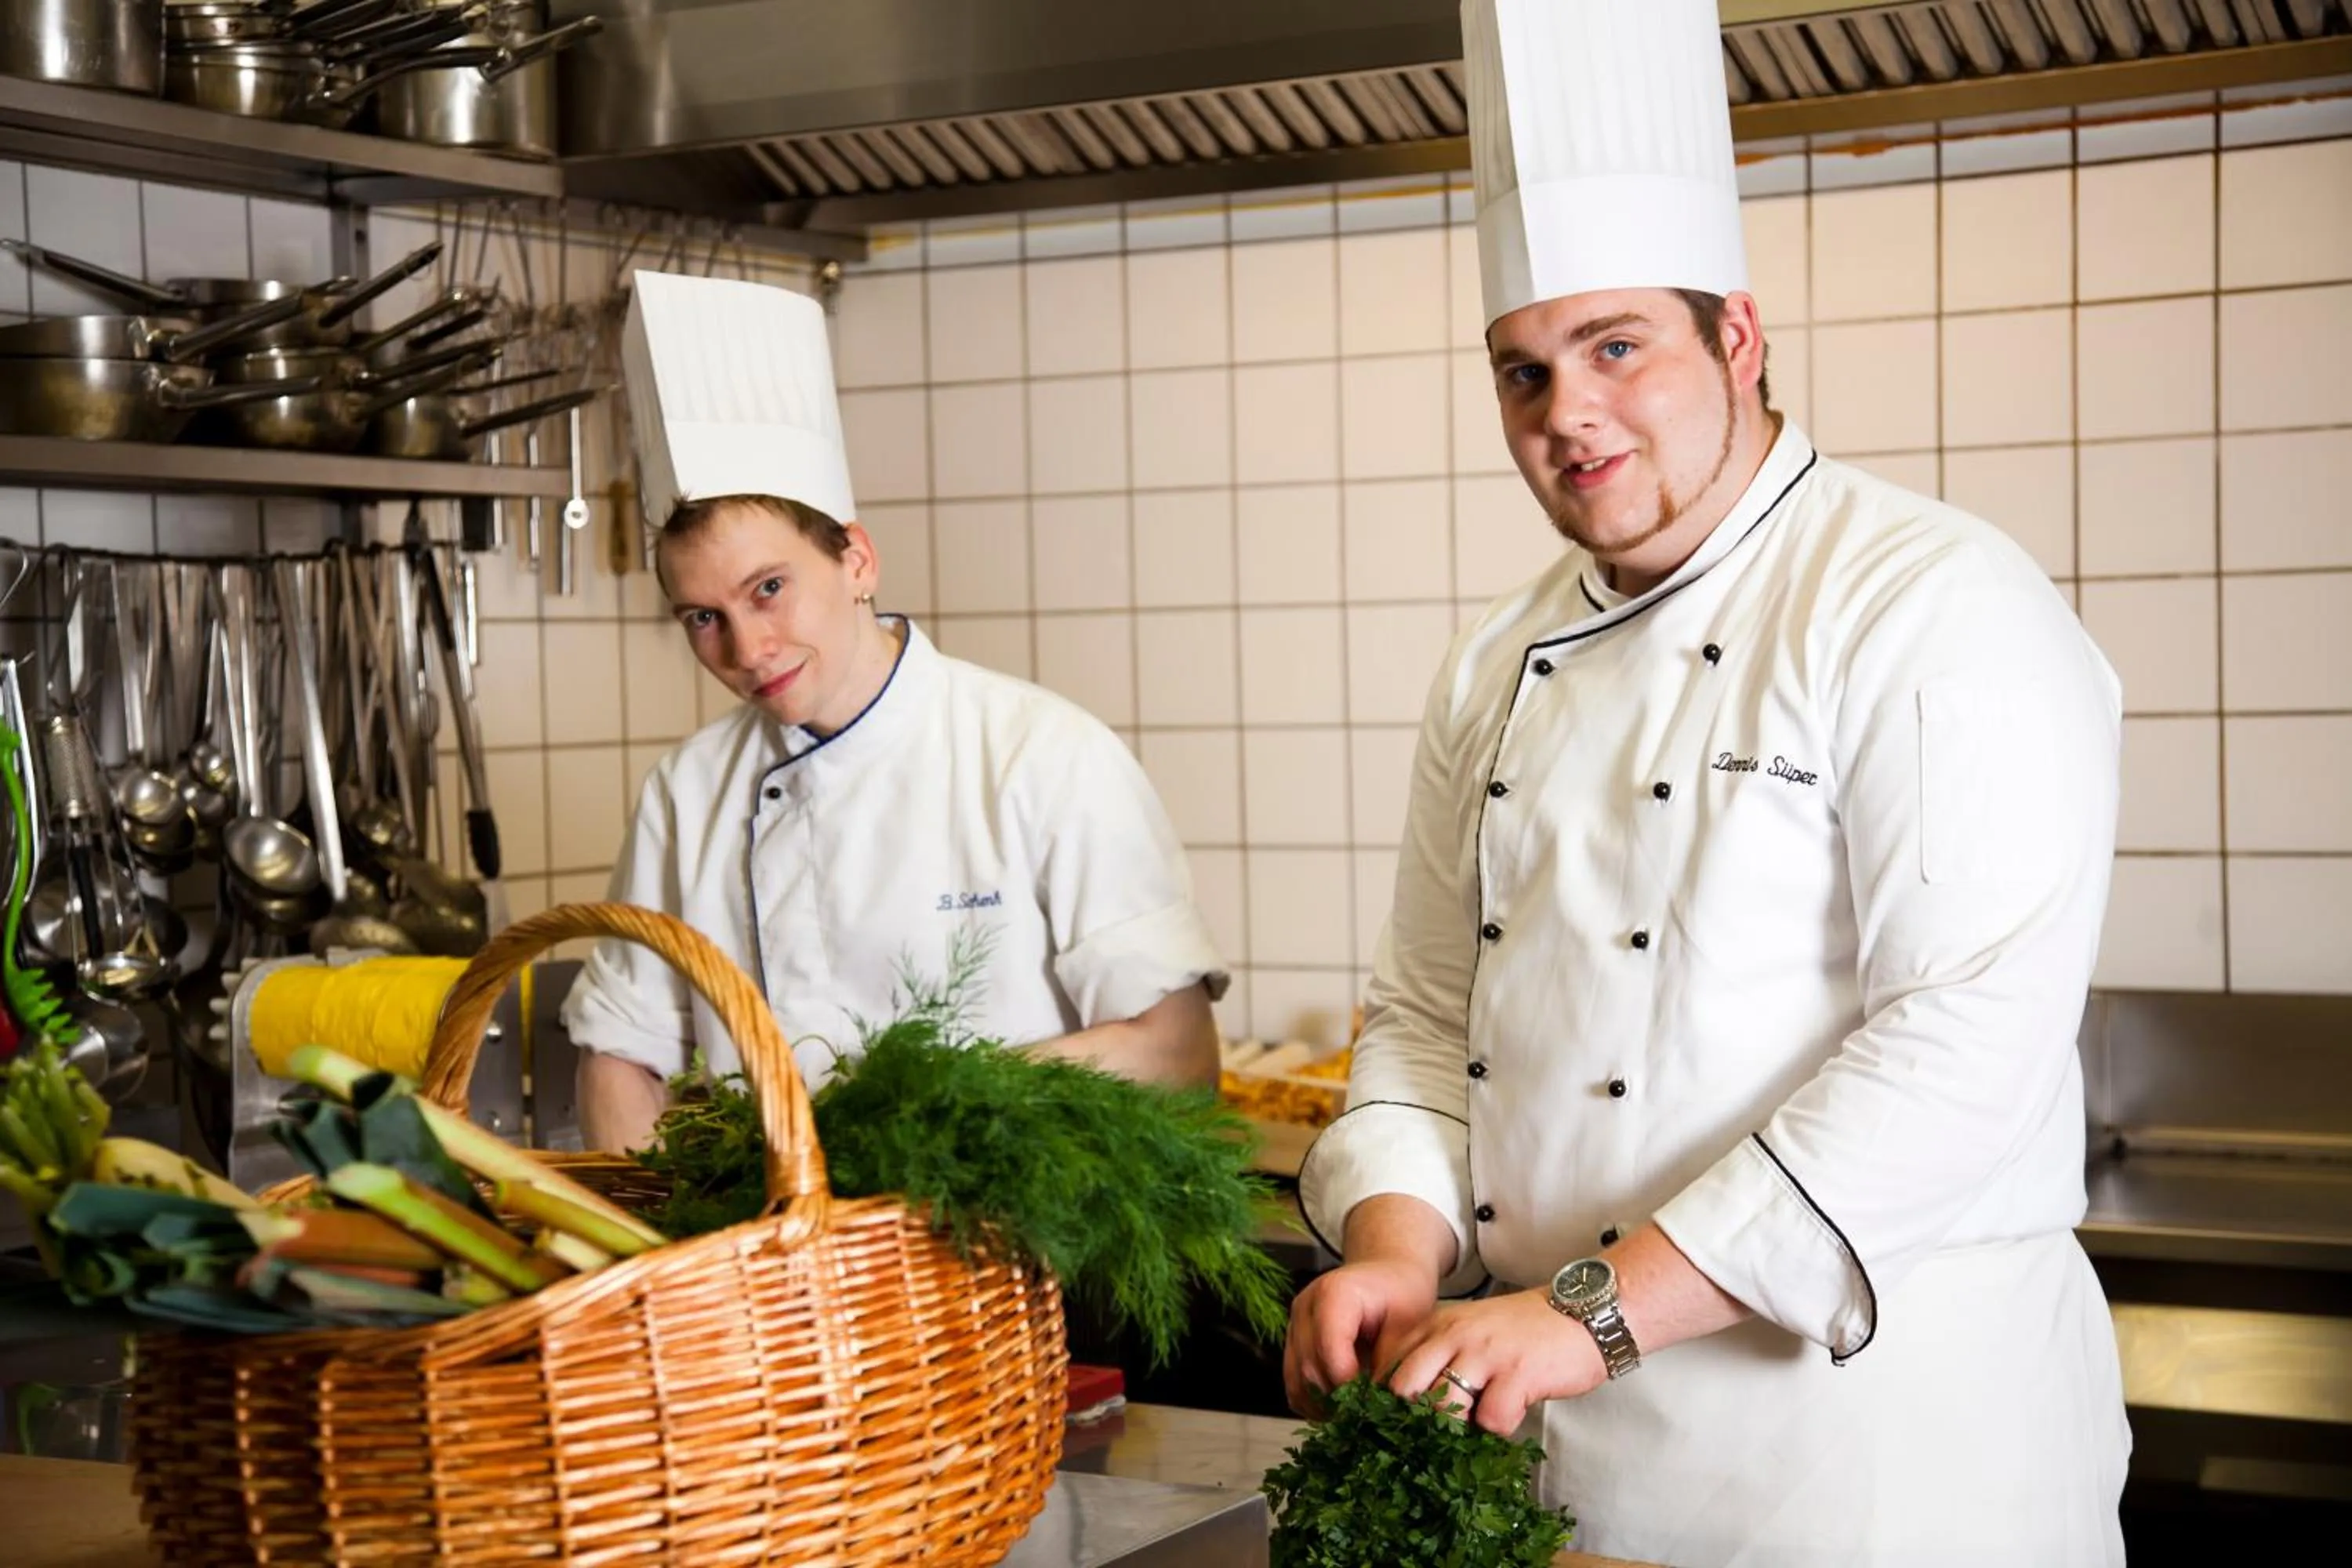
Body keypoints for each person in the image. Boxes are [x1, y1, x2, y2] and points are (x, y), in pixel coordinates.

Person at [1283, 2, 2132, 1563]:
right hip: (1567, 1441)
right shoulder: (1493, 662)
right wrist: (1400, 1247)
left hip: (1875, 1462)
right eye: (1522, 373)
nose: (1568, 416)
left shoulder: (1931, 601)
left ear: (1738, 339)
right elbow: (1421, 1018)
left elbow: (1957, 1052)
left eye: (1618, 348)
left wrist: (1590, 1311)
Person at [563, 270, 1226, 1154]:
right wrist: (667, 1252)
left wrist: (929, 1111)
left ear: (858, 560)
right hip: (768, 1260)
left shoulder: (1042, 756)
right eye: (704, 617)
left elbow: (1177, 1051)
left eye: (770, 588)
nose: (748, 648)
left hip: (1016, 1252)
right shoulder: (687, 792)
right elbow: (620, 1054)